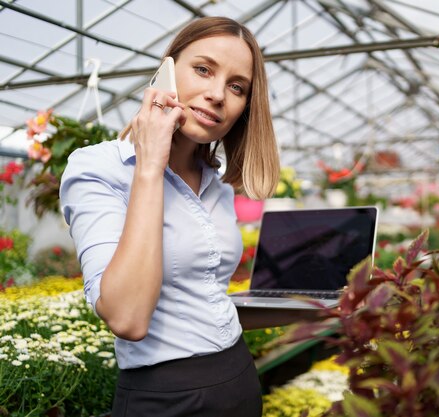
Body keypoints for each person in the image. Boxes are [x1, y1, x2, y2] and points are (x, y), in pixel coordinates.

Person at [59, 16, 302, 417]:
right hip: (165, 397)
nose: (218, 94)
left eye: (237, 86)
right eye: (203, 70)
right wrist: (150, 166)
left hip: (240, 379)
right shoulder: (98, 168)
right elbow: (127, 317)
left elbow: (206, 301)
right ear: (166, 71)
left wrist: (333, 306)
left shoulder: (217, 184)